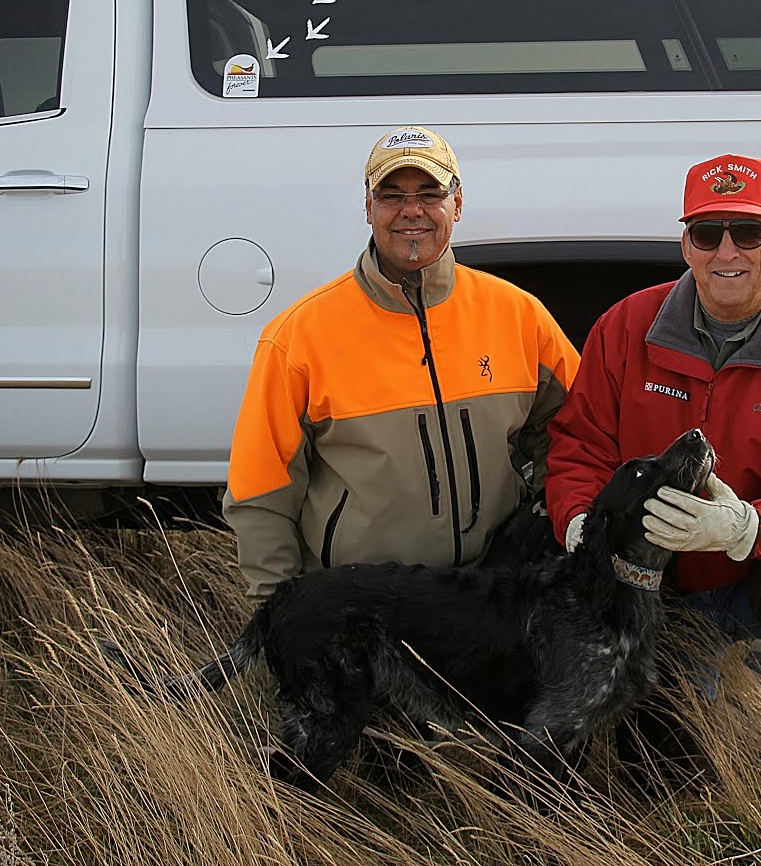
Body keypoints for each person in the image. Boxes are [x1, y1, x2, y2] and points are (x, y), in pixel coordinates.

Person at [545, 155, 761, 866]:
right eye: (708, 233)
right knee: (665, 777)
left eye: (747, 231)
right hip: (657, 577)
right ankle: (567, 790)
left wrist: (747, 526)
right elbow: (578, 448)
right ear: (686, 245)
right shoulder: (624, 329)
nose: (727, 252)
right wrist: (580, 523)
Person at [224, 125, 580, 601]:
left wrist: (546, 524)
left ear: (457, 203)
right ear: (368, 208)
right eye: (391, 195)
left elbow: (579, 436)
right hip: (360, 607)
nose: (411, 211)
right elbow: (260, 492)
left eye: (429, 193)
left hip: (492, 595)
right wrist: (277, 612)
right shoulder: (297, 336)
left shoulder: (519, 314)